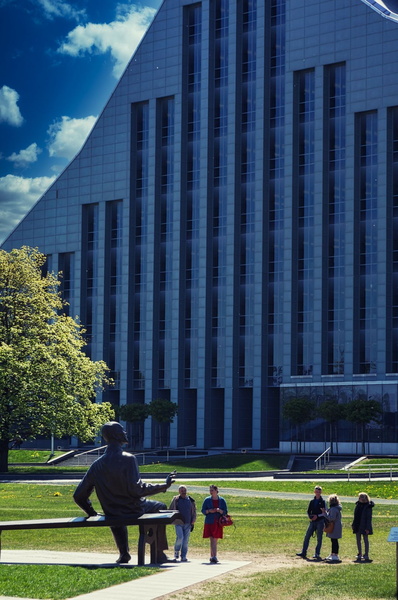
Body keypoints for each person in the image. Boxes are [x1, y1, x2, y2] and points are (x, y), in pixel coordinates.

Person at [73, 421, 176, 564]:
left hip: (112, 513)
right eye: (122, 430)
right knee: (161, 507)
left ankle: (124, 554)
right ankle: (159, 553)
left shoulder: (97, 465)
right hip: (133, 510)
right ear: (116, 435)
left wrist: (92, 513)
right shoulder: (128, 459)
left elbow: (79, 496)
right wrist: (164, 486)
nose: (125, 433)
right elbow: (137, 490)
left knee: (116, 514)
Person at [296, 485, 326, 560]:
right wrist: (310, 516)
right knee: (307, 536)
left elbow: (325, 513)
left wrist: (317, 516)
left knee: (319, 538)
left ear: (321, 492)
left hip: (320, 521)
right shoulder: (312, 501)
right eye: (316, 491)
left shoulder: (323, 502)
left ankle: (317, 553)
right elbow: (308, 511)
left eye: (319, 491)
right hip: (312, 522)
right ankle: (303, 552)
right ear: (314, 492)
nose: (318, 493)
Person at [169, 485, 196, 562]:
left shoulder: (190, 500)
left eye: (184, 490)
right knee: (180, 538)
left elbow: (194, 511)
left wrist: (193, 520)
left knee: (185, 541)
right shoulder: (176, 499)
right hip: (178, 523)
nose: (183, 492)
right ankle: (176, 552)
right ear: (179, 491)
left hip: (188, 523)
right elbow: (170, 509)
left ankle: (183, 556)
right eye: (181, 490)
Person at [201, 484, 228, 564]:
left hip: (218, 522)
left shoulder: (222, 500)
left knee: (215, 539)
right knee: (211, 539)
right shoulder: (207, 500)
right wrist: (209, 511)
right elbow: (203, 510)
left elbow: (226, 511)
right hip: (209, 521)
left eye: (212, 490)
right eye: (210, 490)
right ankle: (213, 556)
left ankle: (214, 556)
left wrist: (220, 511)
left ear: (216, 491)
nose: (211, 492)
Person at [352, 492, 374, 562]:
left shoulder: (368, 506)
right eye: (360, 497)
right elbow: (355, 516)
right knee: (358, 540)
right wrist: (353, 524)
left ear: (365, 498)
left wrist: (367, 528)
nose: (360, 498)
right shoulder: (358, 505)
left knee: (365, 540)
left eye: (362, 497)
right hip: (357, 525)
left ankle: (366, 554)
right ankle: (360, 553)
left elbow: (368, 518)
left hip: (364, 525)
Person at [325, 493, 343, 562]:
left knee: (334, 541)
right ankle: (333, 554)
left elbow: (331, 518)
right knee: (334, 540)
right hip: (337, 525)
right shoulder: (337, 508)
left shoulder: (333, 509)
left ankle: (335, 555)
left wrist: (325, 514)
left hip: (335, 526)